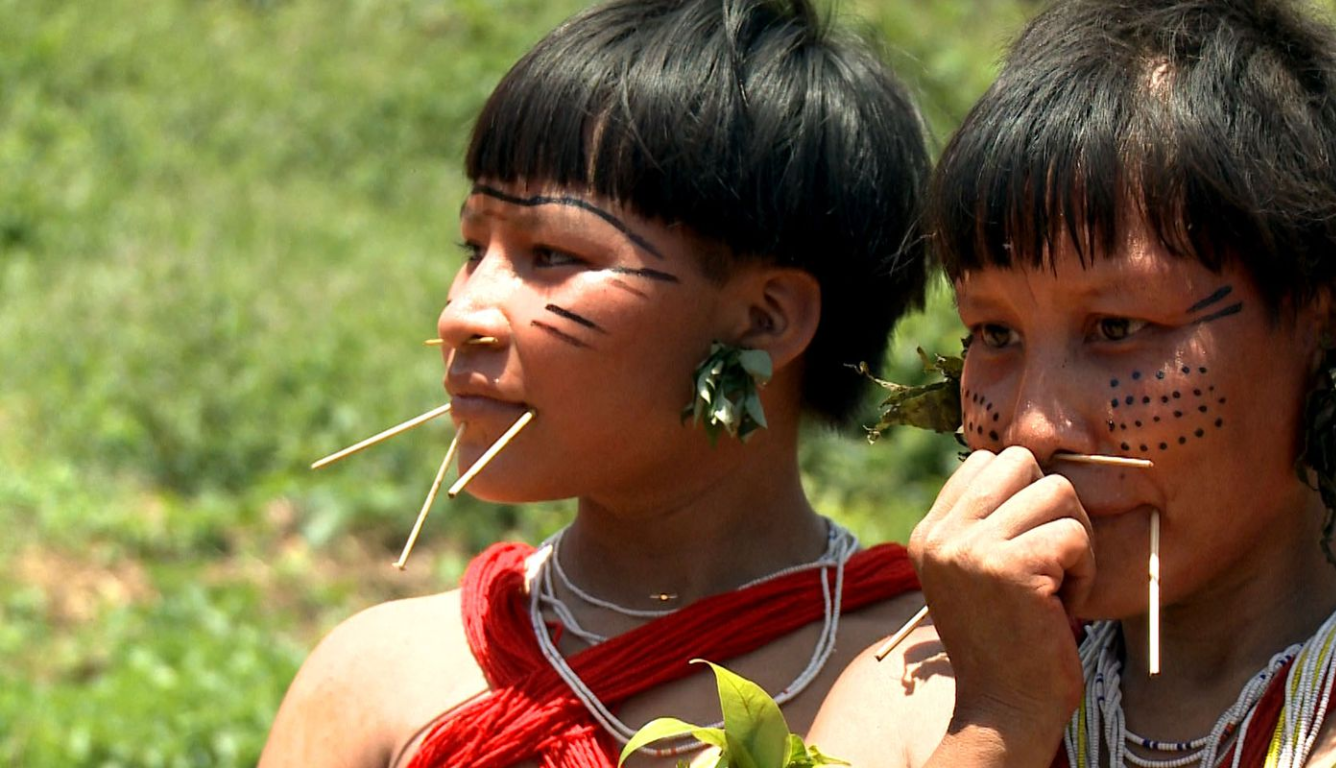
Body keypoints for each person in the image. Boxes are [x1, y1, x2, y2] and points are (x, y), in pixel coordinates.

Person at [807, 0, 1336, 765]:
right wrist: (999, 720)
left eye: (1117, 329)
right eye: (995, 334)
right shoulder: (905, 707)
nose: (1032, 428)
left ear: (1335, 334)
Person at [259, 0, 931, 765]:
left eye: (551, 254)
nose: (463, 312)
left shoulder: (928, 679)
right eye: (473, 246)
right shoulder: (378, 686)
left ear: (762, 320)